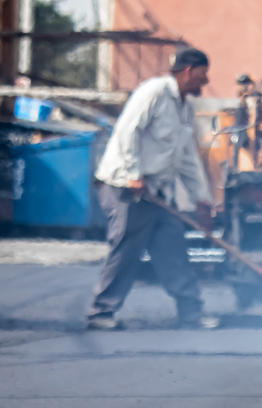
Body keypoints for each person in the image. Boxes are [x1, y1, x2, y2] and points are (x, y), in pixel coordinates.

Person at [87, 48, 215, 330]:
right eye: (202, 76)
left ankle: (192, 314)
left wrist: (202, 199)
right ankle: (101, 313)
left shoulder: (185, 108)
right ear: (188, 71)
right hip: (126, 189)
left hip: (157, 194)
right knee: (125, 251)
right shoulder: (154, 92)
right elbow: (127, 131)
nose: (204, 83)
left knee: (174, 250)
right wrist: (134, 174)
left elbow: (188, 158)